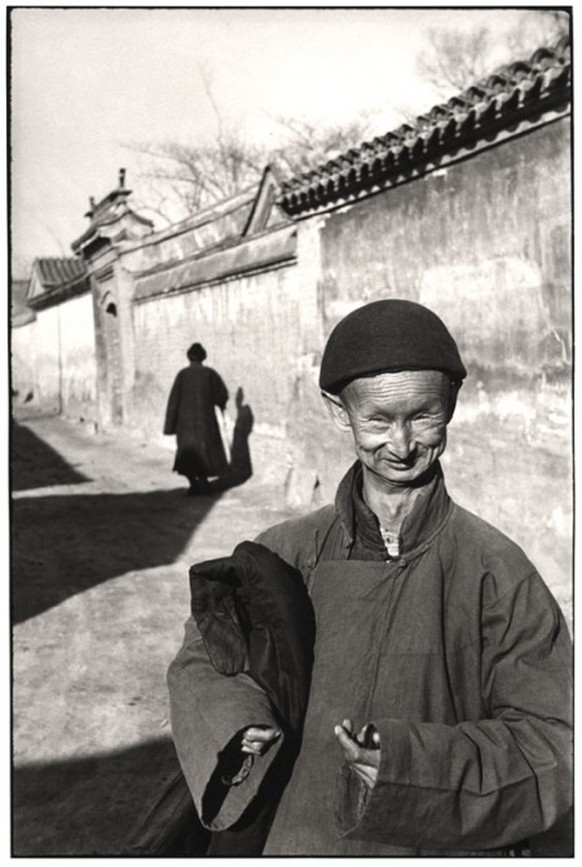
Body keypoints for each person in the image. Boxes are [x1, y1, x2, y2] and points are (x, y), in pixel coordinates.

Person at [167, 300, 572, 855]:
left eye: (423, 416)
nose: (402, 445)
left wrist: (411, 766)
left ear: (451, 403)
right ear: (340, 412)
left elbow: (554, 741)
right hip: (293, 838)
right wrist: (239, 720)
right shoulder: (284, 552)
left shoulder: (496, 572)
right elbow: (206, 659)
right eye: (378, 420)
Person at [164, 342, 229, 495]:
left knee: (187, 454)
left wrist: (170, 426)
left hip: (185, 424)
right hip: (205, 423)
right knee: (205, 452)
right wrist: (220, 405)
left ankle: (194, 484)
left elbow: (173, 401)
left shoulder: (182, 375)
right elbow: (222, 395)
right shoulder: (210, 374)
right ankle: (204, 482)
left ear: (189, 358)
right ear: (203, 357)